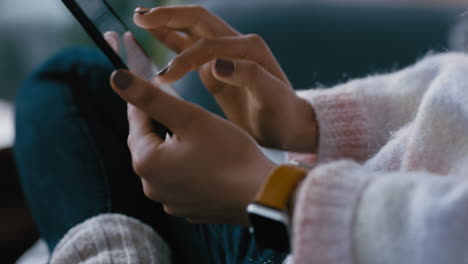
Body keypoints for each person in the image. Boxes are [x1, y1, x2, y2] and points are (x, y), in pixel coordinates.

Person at [14, 4, 468, 264]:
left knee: (65, 85)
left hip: (346, 241)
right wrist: (308, 120)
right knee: (77, 80)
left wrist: (274, 194)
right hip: (343, 217)